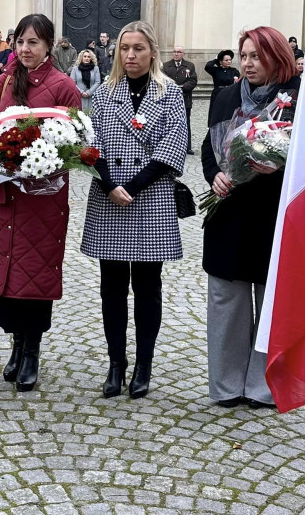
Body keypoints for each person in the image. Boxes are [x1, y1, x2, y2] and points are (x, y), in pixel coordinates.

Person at [81, 21, 188, 400]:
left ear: (152, 51)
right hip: (109, 197)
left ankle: (143, 365)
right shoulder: (105, 93)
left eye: (138, 48)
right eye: (124, 48)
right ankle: (116, 364)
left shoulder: (170, 92)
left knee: (147, 287)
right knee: (111, 288)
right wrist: (110, 184)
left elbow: (175, 144)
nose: (130, 55)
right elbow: (91, 143)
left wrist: (134, 185)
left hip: (151, 196)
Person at [0, 14, 82, 392]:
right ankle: (16, 343)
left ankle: (32, 350)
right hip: (4, 197)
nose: (24, 49)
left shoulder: (63, 86)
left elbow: (76, 143)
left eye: (33, 42)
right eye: (20, 41)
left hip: (43, 202)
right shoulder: (4, 82)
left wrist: (45, 167)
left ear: (49, 45)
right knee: (4, 272)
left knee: (34, 276)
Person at [201, 26, 299, 409]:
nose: (247, 63)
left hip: (275, 214)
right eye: (243, 56)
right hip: (229, 212)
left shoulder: (298, 97)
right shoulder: (225, 96)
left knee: (271, 301)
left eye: (255, 56)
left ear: (276, 56)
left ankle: (263, 385)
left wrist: (277, 166)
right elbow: (210, 148)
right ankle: (225, 385)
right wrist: (216, 175)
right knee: (227, 301)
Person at [162, 46, 198, 154]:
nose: (176, 54)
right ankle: (170, 145)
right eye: (175, 52)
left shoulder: (189, 66)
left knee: (186, 122)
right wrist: (173, 88)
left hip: (185, 98)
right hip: (170, 99)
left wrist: (182, 88)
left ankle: (187, 147)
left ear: (183, 54)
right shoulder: (166, 66)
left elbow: (193, 80)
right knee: (169, 123)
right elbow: (163, 79)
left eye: (179, 52)